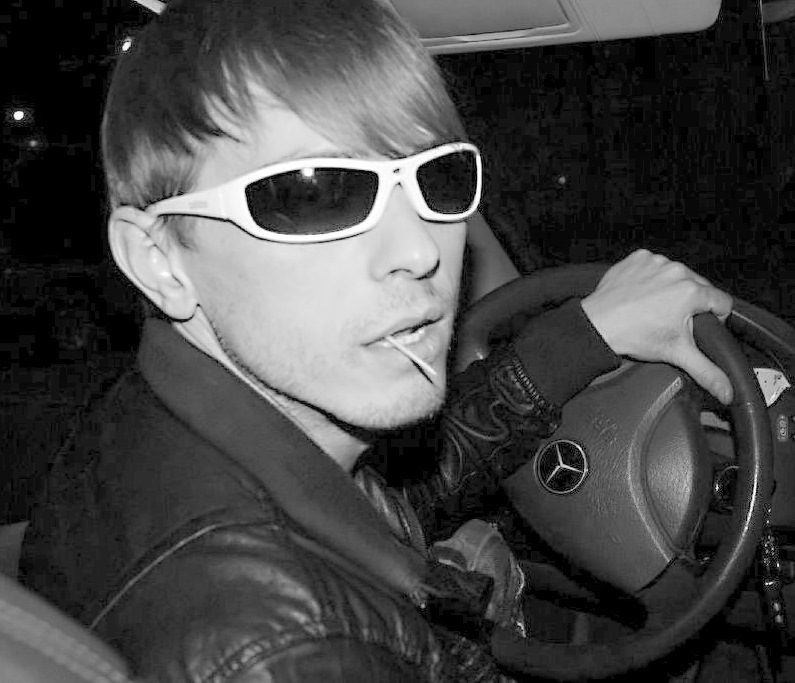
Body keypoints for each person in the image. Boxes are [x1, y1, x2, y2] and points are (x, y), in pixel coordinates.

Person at [19, 0, 734, 680]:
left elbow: (382, 505)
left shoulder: (159, 425)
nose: (418, 249)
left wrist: (585, 335)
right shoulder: (293, 650)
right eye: (313, 191)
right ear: (160, 260)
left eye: (436, 177)